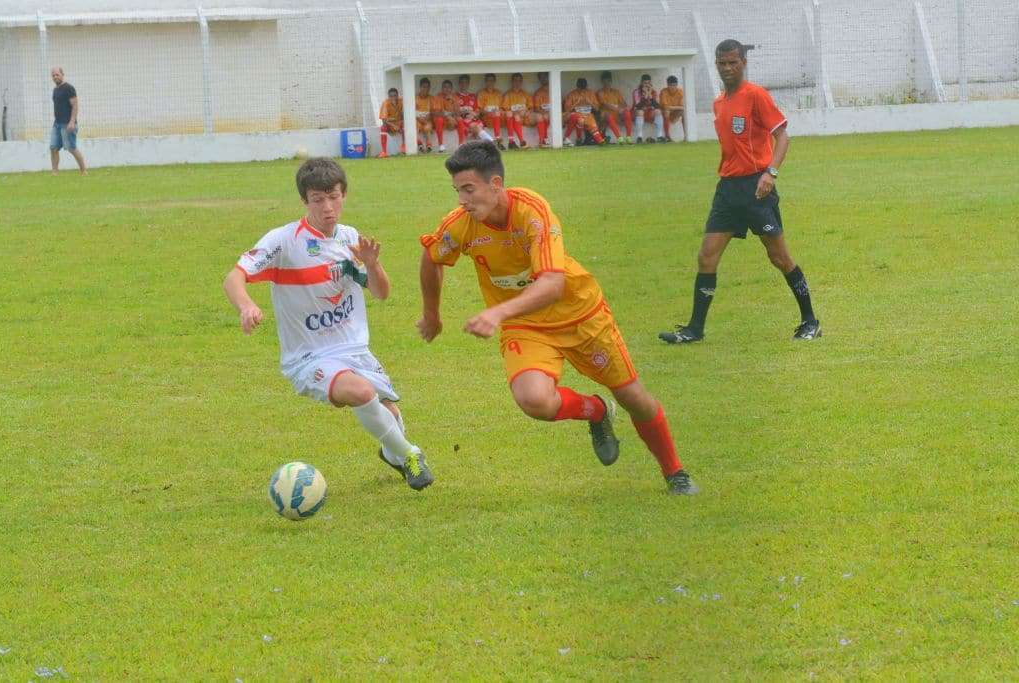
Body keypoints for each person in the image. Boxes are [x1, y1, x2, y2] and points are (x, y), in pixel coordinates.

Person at [417, 142, 698, 495]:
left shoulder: (532, 211)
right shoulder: (461, 225)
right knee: (534, 400)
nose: (462, 200)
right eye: (457, 191)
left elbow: (552, 284)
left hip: (579, 313)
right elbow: (432, 258)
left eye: (469, 189)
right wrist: (432, 315)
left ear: (496, 184)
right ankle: (595, 411)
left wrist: (498, 311)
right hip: (528, 324)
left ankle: (675, 472)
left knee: (633, 398)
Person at [223, 157, 434, 490]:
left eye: (333, 197)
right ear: (305, 201)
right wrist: (246, 305)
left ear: (344, 194)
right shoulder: (284, 241)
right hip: (309, 358)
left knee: (390, 417)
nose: (327, 207)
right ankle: (411, 454)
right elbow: (234, 277)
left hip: (355, 351)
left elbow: (381, 293)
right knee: (362, 393)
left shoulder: (349, 239)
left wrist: (373, 266)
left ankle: (395, 454)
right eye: (318, 200)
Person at [659, 39, 821, 344]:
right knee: (707, 257)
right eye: (722, 63)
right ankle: (695, 329)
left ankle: (810, 321)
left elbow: (782, 137)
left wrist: (770, 173)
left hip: (756, 189)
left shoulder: (756, 95)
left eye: (733, 62)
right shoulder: (719, 102)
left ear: (743, 63)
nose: (728, 68)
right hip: (728, 191)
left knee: (779, 257)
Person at [49, 67, 87, 175]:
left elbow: (75, 106)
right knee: (53, 147)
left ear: (62, 74)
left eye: (57, 74)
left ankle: (84, 171)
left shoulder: (69, 88)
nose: (55, 77)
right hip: (57, 124)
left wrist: (72, 122)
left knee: (71, 148)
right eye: (53, 75)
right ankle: (55, 172)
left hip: (67, 124)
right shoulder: (55, 90)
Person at [455, 75, 496, 145]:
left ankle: (487, 144)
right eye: (462, 82)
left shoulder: (472, 96)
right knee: (475, 127)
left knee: (478, 126)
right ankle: (491, 141)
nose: (464, 84)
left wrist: (474, 114)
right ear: (459, 84)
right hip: (463, 120)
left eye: (466, 82)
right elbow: (455, 112)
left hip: (474, 119)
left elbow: (477, 111)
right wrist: (466, 112)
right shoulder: (455, 96)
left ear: (468, 83)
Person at [562, 77, 605, 146]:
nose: (582, 90)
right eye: (580, 88)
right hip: (576, 114)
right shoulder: (572, 94)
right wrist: (576, 103)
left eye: (584, 88)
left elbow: (597, 109)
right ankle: (579, 139)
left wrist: (589, 102)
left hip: (588, 114)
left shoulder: (590, 93)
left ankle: (600, 140)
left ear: (586, 86)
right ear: (577, 86)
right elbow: (567, 110)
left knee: (592, 124)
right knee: (580, 120)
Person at [501, 72, 536, 150]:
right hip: (514, 119)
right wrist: (517, 113)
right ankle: (520, 141)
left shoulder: (525, 94)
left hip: (525, 118)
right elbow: (506, 110)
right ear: (512, 82)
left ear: (521, 82)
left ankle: (543, 141)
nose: (517, 83)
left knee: (539, 117)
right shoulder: (508, 94)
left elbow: (531, 107)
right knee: (515, 116)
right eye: (515, 80)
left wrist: (527, 112)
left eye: (519, 81)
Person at [596, 71, 633, 144]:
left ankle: (628, 137)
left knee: (627, 112)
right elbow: (605, 104)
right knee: (607, 115)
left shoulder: (616, 92)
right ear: (602, 81)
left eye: (609, 80)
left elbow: (623, 103)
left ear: (611, 81)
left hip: (617, 114)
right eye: (605, 81)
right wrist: (618, 109)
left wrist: (625, 108)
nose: (607, 83)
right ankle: (619, 138)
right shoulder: (600, 92)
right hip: (605, 115)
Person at [631, 74, 665, 144]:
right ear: (641, 83)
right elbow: (638, 106)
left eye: (648, 83)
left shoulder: (653, 92)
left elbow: (657, 106)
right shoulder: (636, 91)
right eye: (645, 83)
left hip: (648, 113)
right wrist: (646, 96)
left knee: (658, 111)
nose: (647, 85)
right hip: (637, 113)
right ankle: (639, 137)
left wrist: (650, 94)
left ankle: (659, 136)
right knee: (640, 112)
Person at [477, 73, 507, 151]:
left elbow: (503, 108)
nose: (490, 82)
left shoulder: (499, 93)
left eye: (492, 81)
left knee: (506, 114)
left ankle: (510, 141)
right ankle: (498, 140)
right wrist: (490, 113)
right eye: (488, 81)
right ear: (485, 82)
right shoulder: (481, 93)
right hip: (487, 119)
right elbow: (480, 110)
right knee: (496, 114)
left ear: (494, 81)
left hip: (499, 118)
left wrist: (498, 111)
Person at [431, 79, 457, 153]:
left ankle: (461, 144)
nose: (447, 89)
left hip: (449, 120)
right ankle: (441, 145)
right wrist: (448, 116)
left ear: (451, 89)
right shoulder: (438, 97)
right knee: (439, 119)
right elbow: (437, 112)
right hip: (439, 120)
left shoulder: (454, 97)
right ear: (442, 88)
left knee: (460, 120)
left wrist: (452, 101)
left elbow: (457, 112)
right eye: (445, 87)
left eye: (449, 87)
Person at [378, 87, 405, 158]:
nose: (393, 97)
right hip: (389, 125)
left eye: (394, 95)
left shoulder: (401, 101)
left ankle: (404, 147)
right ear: (388, 97)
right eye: (391, 96)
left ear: (397, 96)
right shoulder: (385, 103)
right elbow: (383, 120)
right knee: (383, 128)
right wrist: (393, 125)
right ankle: (384, 152)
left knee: (406, 125)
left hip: (399, 123)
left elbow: (405, 116)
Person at [659, 75, 685, 142]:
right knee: (666, 111)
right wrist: (676, 107)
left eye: (675, 85)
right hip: (665, 115)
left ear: (677, 85)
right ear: (667, 85)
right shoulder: (663, 91)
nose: (673, 87)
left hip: (675, 114)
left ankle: (686, 135)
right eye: (671, 85)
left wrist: (672, 107)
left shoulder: (680, 92)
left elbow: (683, 107)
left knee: (684, 113)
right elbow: (665, 107)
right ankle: (667, 136)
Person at [415, 77, 436, 153]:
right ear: (420, 87)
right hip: (417, 120)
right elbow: (411, 112)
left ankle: (428, 145)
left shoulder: (432, 98)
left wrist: (428, 117)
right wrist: (419, 118)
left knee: (427, 127)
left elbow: (434, 112)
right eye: (424, 87)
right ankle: (419, 143)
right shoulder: (415, 98)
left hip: (427, 120)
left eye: (427, 87)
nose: (425, 89)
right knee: (414, 126)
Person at [531, 72, 552, 147]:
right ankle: (543, 140)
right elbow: (536, 108)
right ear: (539, 80)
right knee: (542, 117)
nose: (544, 79)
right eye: (541, 78)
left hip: (555, 115)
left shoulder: (554, 90)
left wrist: (550, 113)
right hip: (544, 115)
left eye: (545, 77)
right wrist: (544, 113)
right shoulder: (538, 93)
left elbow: (560, 106)